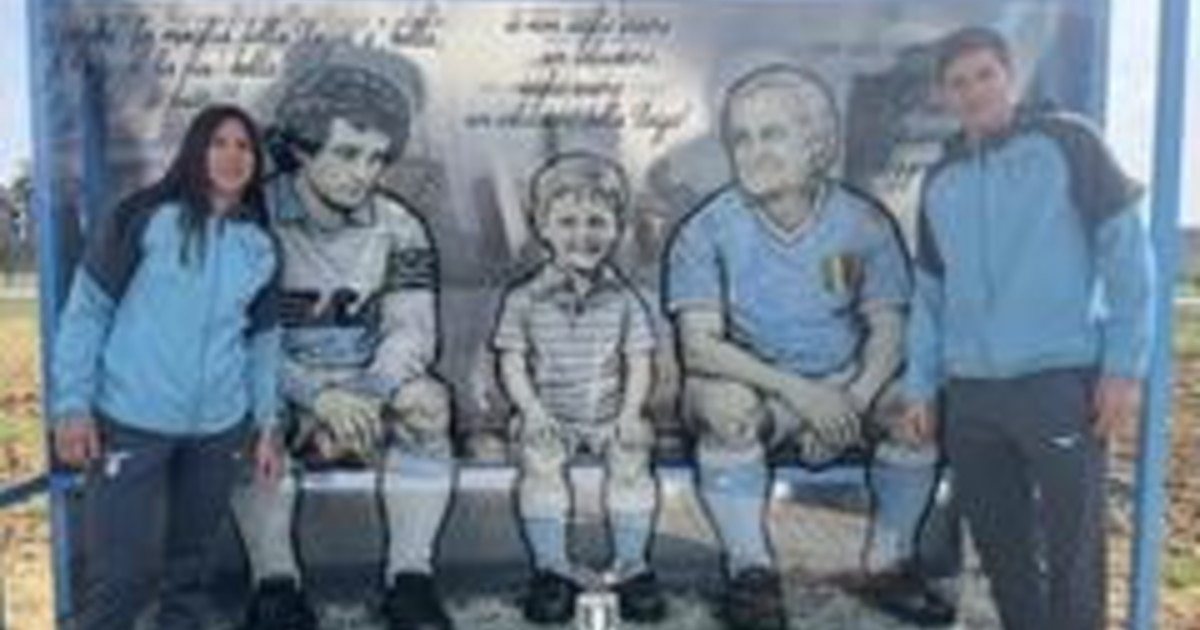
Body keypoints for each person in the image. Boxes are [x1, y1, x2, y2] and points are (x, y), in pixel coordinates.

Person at [664, 64, 954, 630]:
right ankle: (750, 574)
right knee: (725, 407)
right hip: (759, 386)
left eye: (771, 134)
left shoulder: (863, 223)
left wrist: (850, 401)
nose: (754, 152)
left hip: (847, 384)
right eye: (741, 138)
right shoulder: (707, 230)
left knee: (913, 411)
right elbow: (699, 348)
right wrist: (802, 396)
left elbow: (890, 329)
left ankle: (888, 564)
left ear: (817, 143)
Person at [901, 26, 1154, 630]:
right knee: (1004, 557)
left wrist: (1123, 368)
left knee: (1074, 556)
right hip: (972, 398)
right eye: (958, 82)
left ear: (1010, 77)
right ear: (944, 96)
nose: (974, 91)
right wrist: (920, 386)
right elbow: (930, 296)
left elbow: (1126, 255)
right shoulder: (940, 181)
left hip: (1058, 386)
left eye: (985, 75)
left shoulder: (1069, 143)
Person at [230, 63, 456, 630]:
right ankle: (275, 586)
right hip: (282, 387)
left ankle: (410, 580)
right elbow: (236, 339)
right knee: (241, 412)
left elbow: (411, 331)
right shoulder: (251, 219)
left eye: (377, 158)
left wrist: (367, 393)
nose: (365, 173)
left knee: (429, 405)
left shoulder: (400, 225)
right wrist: (317, 397)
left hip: (364, 391)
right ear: (302, 149)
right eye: (348, 153)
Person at [51, 104, 280, 630]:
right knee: (120, 581)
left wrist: (267, 424)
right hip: (130, 421)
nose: (232, 156)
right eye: (218, 143)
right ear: (195, 150)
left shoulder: (262, 245)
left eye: (244, 146)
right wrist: (72, 406)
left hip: (217, 432)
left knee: (190, 577)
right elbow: (87, 312)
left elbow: (263, 344)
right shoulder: (143, 216)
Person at [492, 152, 666, 625]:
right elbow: (512, 361)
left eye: (597, 222)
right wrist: (531, 410)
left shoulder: (624, 299)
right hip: (551, 412)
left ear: (617, 229)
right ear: (543, 227)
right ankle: (552, 569)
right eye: (567, 222)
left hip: (608, 413)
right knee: (541, 461)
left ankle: (631, 566)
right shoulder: (525, 298)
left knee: (632, 459)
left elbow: (639, 361)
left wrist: (630, 414)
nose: (583, 234)